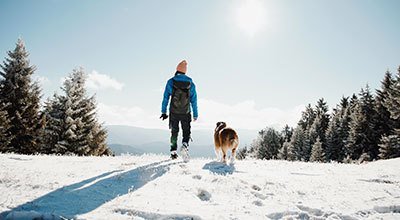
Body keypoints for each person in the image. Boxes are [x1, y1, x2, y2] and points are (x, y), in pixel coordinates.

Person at [160, 60, 198, 161]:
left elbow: (165, 98)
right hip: (186, 112)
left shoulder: (171, 81)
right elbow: (194, 100)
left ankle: (173, 152)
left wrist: (163, 112)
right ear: (185, 71)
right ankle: (185, 145)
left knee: (174, 131)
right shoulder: (190, 83)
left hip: (174, 111)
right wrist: (195, 114)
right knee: (186, 131)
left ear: (177, 70)